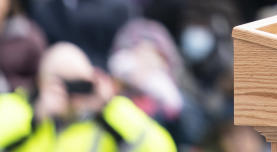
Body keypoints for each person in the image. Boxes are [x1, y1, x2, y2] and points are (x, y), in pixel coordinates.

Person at [0, 41, 175, 151]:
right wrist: (35, 117)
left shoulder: (107, 121)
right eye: (64, 83)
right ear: (40, 81)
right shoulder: (14, 107)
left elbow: (162, 147)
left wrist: (110, 107)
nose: (71, 93)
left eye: (80, 84)